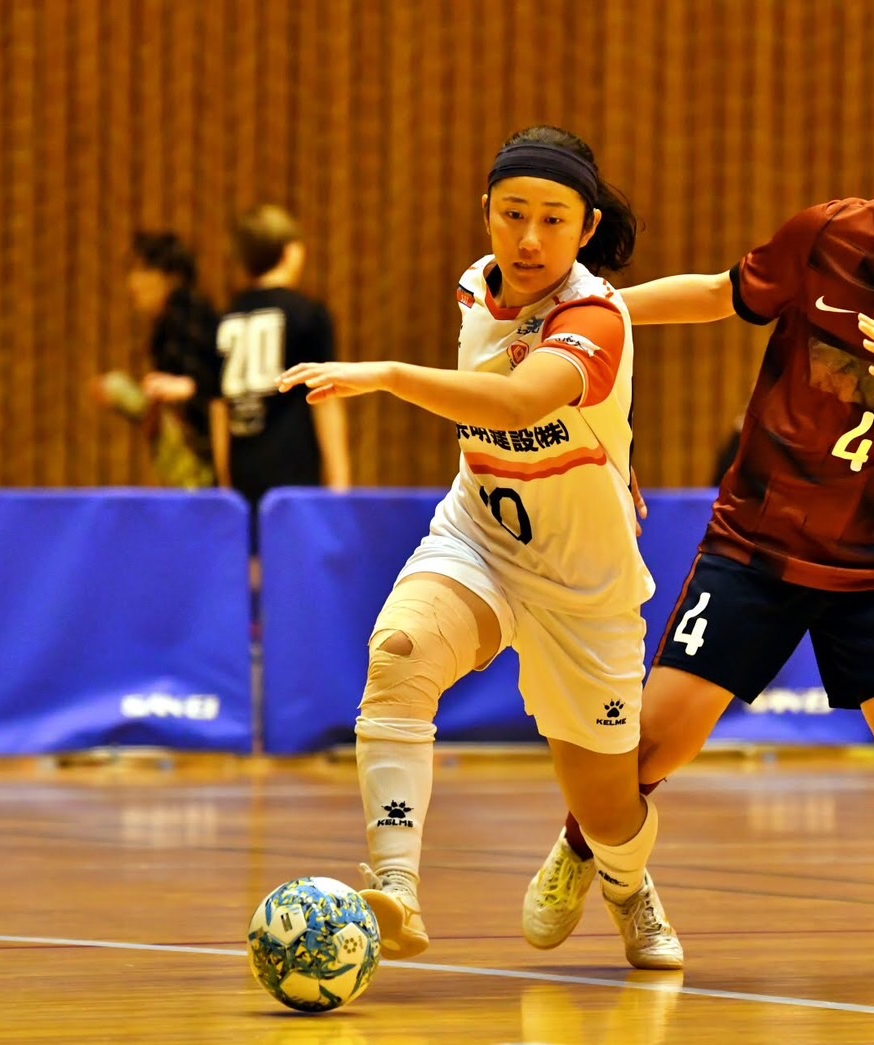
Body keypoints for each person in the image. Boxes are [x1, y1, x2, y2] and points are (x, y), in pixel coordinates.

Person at [522, 92, 874, 979]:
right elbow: (720, 293)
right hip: (757, 546)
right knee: (650, 746)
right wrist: (592, 312)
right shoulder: (828, 234)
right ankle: (580, 850)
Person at [279, 125, 683, 971]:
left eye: (552, 219)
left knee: (607, 811)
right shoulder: (476, 286)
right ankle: (394, 887)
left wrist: (386, 374)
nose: (528, 238)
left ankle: (621, 882)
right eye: (511, 214)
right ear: (485, 213)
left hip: (583, 584)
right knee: (399, 652)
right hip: (482, 536)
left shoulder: (594, 316)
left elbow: (517, 403)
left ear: (586, 226)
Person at [213, 205, 351, 524]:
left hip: (242, 471)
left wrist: (224, 483)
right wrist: (340, 483)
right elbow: (325, 399)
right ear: (291, 253)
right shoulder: (307, 314)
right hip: (294, 472)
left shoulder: (225, 318)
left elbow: (218, 407)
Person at [92, 231, 220, 488]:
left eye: (143, 271)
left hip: (205, 465)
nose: (133, 283)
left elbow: (209, 391)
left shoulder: (186, 319)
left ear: (171, 277)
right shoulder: (174, 321)